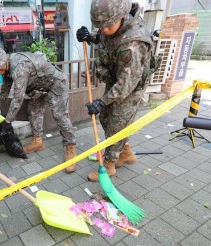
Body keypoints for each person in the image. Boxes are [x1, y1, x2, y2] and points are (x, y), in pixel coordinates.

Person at [76, 0, 154, 182]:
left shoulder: (133, 44)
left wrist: (101, 102)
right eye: (99, 26)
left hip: (130, 87)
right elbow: (108, 36)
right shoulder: (113, 27)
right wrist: (90, 36)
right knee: (105, 118)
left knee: (116, 125)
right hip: (116, 81)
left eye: (107, 25)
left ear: (123, 16)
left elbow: (127, 83)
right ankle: (126, 153)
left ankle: (109, 166)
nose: (104, 30)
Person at [0, 47, 77, 173]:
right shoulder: (8, 67)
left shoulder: (19, 67)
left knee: (59, 116)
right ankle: (37, 142)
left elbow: (18, 98)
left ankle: (70, 148)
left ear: (1, 65)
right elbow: (5, 90)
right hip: (40, 88)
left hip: (56, 84)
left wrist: (8, 121)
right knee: (33, 111)